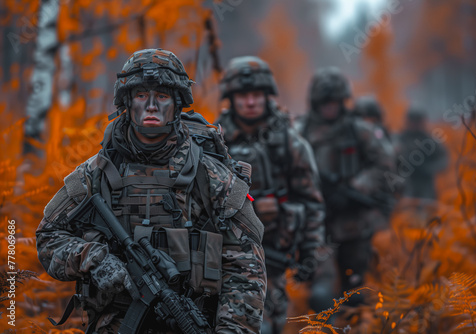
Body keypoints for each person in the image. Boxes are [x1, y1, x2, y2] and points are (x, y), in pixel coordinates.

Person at [36, 48, 267, 333]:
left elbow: (246, 269)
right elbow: (48, 236)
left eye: (162, 96)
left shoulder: (211, 176)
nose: (151, 106)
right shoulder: (96, 173)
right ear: (127, 102)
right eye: (142, 96)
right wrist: (94, 259)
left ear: (177, 103)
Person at [216, 56, 325, 334]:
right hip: (221, 258)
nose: (250, 102)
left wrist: (310, 252)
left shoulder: (290, 142)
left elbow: (311, 202)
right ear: (231, 98)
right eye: (243, 95)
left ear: (267, 96)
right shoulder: (213, 141)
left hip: (274, 256)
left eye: (256, 95)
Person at [295, 67, 396, 309]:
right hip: (317, 226)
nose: (330, 106)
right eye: (325, 102)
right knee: (322, 292)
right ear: (315, 102)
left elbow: (385, 164)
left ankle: (356, 324)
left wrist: (357, 187)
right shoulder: (300, 131)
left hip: (354, 223)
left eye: (336, 101)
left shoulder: (359, 129)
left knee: (355, 291)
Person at [394, 107, 449, 200]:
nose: (415, 124)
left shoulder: (430, 141)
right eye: (413, 121)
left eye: (418, 121)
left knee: (426, 210)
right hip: (405, 185)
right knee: (406, 210)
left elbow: (443, 160)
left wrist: (427, 168)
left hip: (426, 186)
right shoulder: (399, 139)